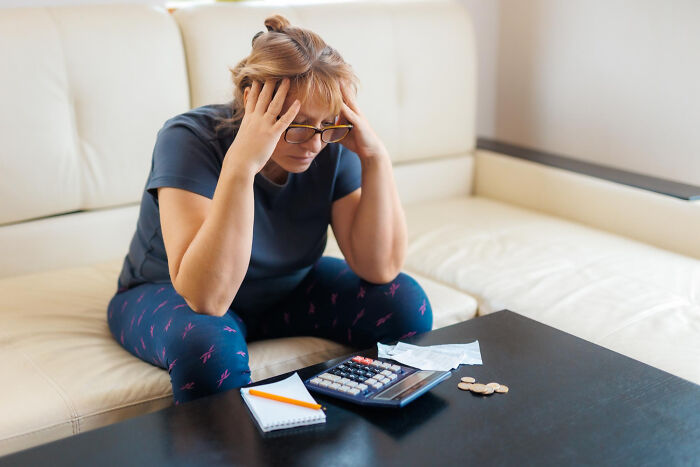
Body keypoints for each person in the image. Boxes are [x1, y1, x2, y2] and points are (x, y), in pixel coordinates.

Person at [107, 14, 433, 404]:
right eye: (296, 123)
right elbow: (207, 299)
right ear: (251, 100)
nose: (313, 143)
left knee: (404, 305)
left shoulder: (328, 141)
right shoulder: (188, 139)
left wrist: (374, 156)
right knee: (207, 351)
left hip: (286, 289)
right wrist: (242, 165)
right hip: (174, 295)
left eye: (328, 124)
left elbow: (378, 267)